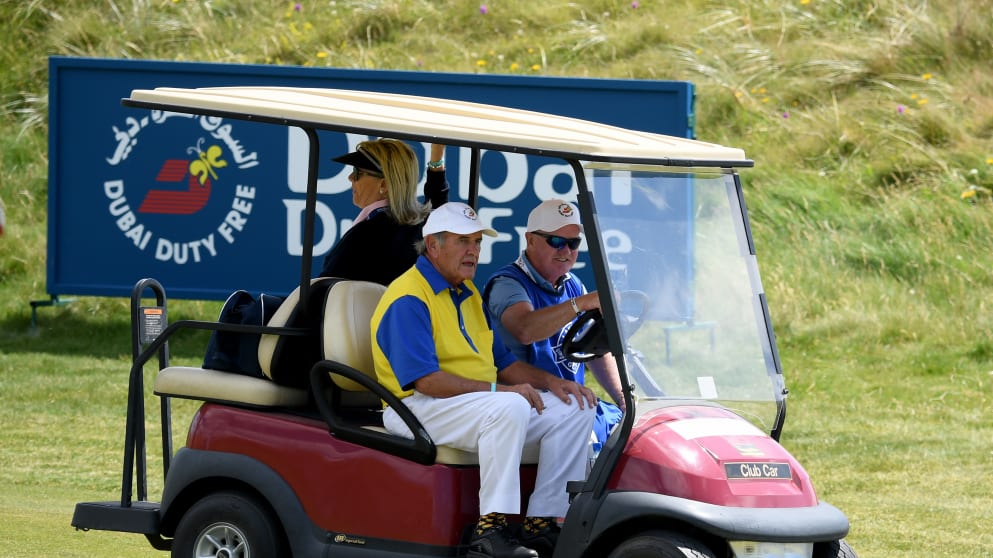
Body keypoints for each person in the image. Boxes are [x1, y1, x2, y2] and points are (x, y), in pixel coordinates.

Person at [371, 202, 597, 558]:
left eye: (477, 242)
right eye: (463, 242)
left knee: (577, 406)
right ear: (433, 245)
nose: (473, 251)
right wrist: (502, 391)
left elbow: (504, 364)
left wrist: (552, 383)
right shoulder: (409, 297)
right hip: (414, 407)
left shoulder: (468, 293)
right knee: (509, 404)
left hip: (471, 404)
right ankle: (490, 528)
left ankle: (541, 521)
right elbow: (426, 381)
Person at [483, 199, 625, 456]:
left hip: (568, 401)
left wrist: (624, 398)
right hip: (527, 402)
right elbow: (525, 330)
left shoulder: (572, 284)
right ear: (530, 240)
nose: (566, 250)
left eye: (573, 243)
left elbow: (594, 349)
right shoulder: (508, 283)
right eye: (556, 242)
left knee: (636, 430)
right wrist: (581, 303)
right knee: (593, 441)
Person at [318, 140, 449, 285]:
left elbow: (323, 291)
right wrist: (437, 154)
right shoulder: (423, 228)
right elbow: (437, 199)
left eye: (357, 173)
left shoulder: (364, 235)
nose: (350, 178)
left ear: (384, 184)